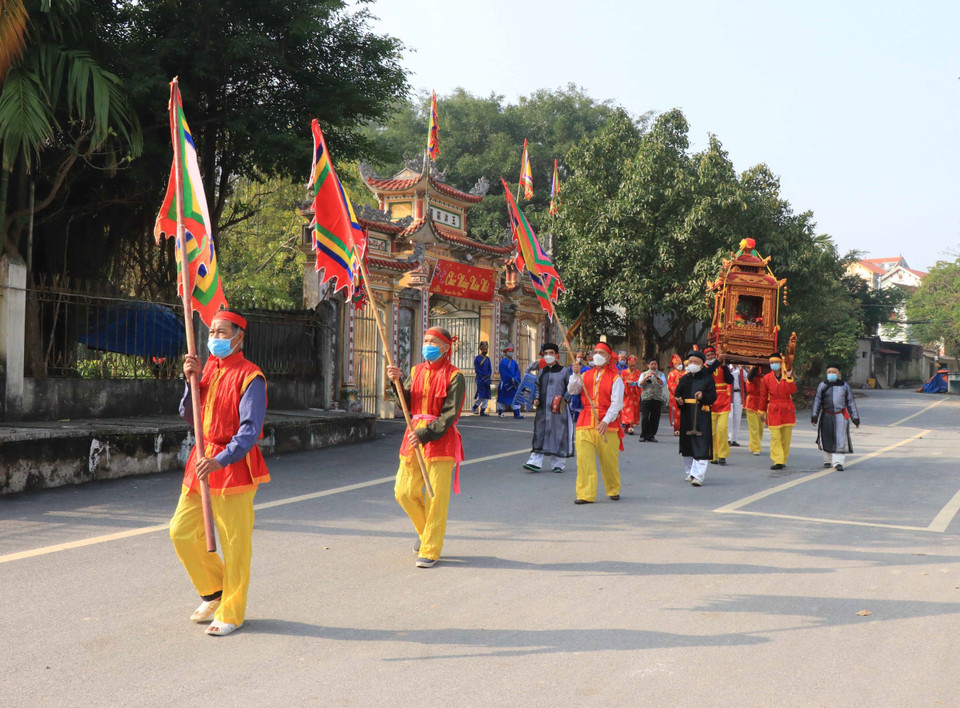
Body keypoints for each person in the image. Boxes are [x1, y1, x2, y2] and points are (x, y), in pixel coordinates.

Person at [169, 310, 269, 637]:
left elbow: (249, 430)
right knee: (181, 531)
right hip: (202, 459)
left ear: (239, 337)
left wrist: (222, 459)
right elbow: (189, 414)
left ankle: (232, 612)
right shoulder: (209, 368)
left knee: (235, 544)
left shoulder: (251, 377)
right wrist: (190, 381)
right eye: (212, 331)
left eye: (222, 332)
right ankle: (214, 590)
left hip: (232, 465)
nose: (214, 337)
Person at [386, 326, 465, 569]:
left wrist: (425, 434)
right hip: (413, 436)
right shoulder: (416, 370)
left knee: (435, 499)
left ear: (445, 347)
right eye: (426, 341)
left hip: (440, 439)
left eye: (432, 341)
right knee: (403, 491)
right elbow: (406, 402)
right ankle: (425, 533)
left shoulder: (455, 376)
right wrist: (396, 382)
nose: (427, 345)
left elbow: (450, 414)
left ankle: (431, 549)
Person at [568, 342, 624, 504]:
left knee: (609, 461)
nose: (597, 355)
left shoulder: (616, 378)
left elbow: (617, 404)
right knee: (583, 460)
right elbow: (572, 390)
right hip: (585, 420)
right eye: (595, 352)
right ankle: (585, 494)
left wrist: (605, 421)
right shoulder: (585, 374)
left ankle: (613, 488)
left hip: (607, 424)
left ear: (608, 357)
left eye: (601, 353)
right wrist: (575, 374)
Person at [524, 343, 577, 473]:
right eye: (546, 353)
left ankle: (558, 464)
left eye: (551, 353)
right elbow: (537, 387)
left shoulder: (564, 371)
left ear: (557, 355)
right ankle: (535, 461)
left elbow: (570, 388)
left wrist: (564, 401)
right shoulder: (542, 371)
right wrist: (536, 398)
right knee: (540, 433)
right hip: (543, 409)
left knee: (558, 434)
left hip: (559, 410)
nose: (548, 356)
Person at [674, 350, 717, 486]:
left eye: (695, 362)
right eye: (690, 362)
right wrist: (679, 401)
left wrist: (703, 396)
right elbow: (677, 393)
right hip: (687, 413)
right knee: (687, 444)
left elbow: (713, 396)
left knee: (701, 443)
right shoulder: (684, 378)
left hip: (701, 413)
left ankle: (698, 476)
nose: (692, 364)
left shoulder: (707, 378)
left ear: (702, 364)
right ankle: (689, 473)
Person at [812, 364, 860, 471]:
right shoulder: (823, 385)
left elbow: (850, 402)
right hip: (826, 415)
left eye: (834, 372)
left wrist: (855, 418)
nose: (831, 374)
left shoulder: (844, 386)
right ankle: (827, 460)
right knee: (826, 437)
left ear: (839, 373)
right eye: (829, 372)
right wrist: (814, 416)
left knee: (840, 439)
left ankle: (838, 462)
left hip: (840, 416)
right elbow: (817, 401)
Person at [760, 352, 797, 470]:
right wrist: (762, 411)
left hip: (787, 408)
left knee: (785, 438)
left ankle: (783, 459)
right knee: (775, 436)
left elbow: (792, 391)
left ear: (781, 363)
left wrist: (789, 377)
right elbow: (763, 395)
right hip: (773, 408)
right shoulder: (766, 378)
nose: (773, 364)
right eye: (771, 362)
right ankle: (778, 461)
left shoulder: (787, 376)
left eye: (776, 362)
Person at [704, 346, 734, 465]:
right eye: (708, 355)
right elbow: (707, 373)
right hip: (710, 400)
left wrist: (724, 366)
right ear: (705, 357)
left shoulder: (722, 366)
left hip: (724, 401)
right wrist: (718, 361)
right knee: (711, 431)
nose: (711, 356)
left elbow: (730, 380)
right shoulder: (704, 367)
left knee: (722, 429)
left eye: (712, 354)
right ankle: (713, 454)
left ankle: (722, 455)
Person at [638, 357, 667, 442]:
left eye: (655, 364)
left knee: (655, 418)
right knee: (645, 417)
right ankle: (643, 435)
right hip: (646, 398)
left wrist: (657, 377)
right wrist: (646, 377)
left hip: (657, 398)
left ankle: (651, 436)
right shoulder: (643, 374)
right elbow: (640, 385)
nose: (654, 365)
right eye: (652, 364)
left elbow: (663, 384)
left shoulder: (661, 374)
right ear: (648, 365)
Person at [743, 364, 766, 456]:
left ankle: (752, 445)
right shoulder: (751, 377)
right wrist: (756, 366)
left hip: (762, 404)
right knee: (754, 428)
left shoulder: (765, 378)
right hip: (752, 403)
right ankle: (756, 447)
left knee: (760, 428)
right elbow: (750, 376)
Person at [497, 346, 523, 419]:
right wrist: (510, 379)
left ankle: (517, 414)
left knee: (515, 398)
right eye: (509, 351)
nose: (511, 353)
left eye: (512, 351)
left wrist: (516, 379)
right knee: (502, 398)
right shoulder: (503, 362)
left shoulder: (514, 363)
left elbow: (517, 372)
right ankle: (500, 413)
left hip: (514, 384)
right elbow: (503, 373)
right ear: (505, 352)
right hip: (505, 383)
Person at [620, 355, 642, 435]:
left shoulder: (638, 373)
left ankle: (630, 426)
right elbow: (620, 383)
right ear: (628, 364)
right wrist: (626, 383)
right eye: (630, 365)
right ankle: (628, 426)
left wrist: (636, 383)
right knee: (626, 410)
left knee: (633, 410)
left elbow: (641, 382)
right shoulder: (623, 372)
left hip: (635, 394)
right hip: (626, 395)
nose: (632, 367)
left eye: (634, 365)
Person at [727, 362, 746, 447]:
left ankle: (734, 439)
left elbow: (747, 379)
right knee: (729, 417)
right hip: (729, 394)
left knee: (737, 417)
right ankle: (728, 438)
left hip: (738, 394)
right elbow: (729, 377)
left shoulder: (741, 370)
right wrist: (739, 370)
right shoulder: (727, 368)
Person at [666, 354, 684, 437]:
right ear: (674, 365)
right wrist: (678, 393)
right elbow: (670, 385)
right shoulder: (671, 374)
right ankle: (676, 428)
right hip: (674, 396)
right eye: (678, 364)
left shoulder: (684, 373)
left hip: (683, 396)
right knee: (675, 413)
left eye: (680, 363)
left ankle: (682, 428)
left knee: (683, 413)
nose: (680, 365)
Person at [472, 341, 492, 416]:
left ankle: (483, 411)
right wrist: (483, 376)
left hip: (487, 380)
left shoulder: (487, 359)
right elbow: (477, 370)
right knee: (481, 395)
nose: (485, 351)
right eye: (484, 349)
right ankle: (474, 407)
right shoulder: (477, 358)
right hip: (480, 379)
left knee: (487, 396)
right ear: (481, 350)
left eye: (486, 349)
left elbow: (490, 369)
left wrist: (488, 375)